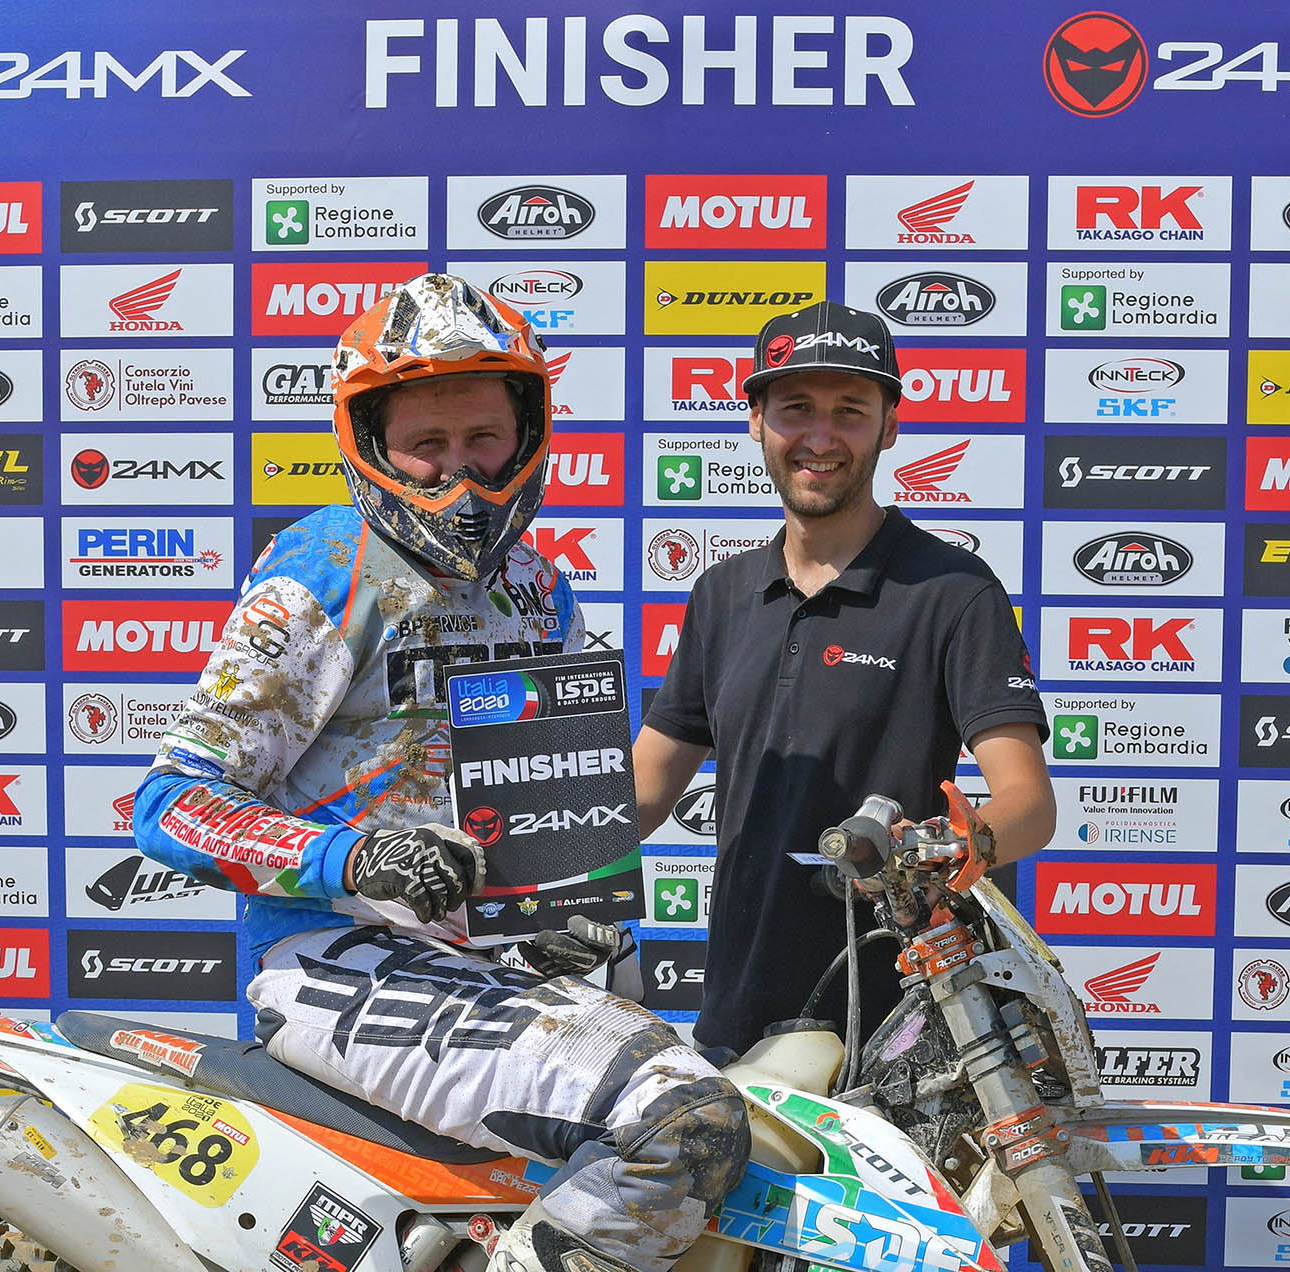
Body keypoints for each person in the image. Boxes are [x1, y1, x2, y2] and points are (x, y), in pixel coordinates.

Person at [133, 274, 747, 1272]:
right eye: (428, 443)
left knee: (730, 1113)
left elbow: (551, 810)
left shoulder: (538, 587)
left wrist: (561, 909)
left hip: (492, 959)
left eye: (483, 438)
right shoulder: (322, 573)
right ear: (372, 443)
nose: (459, 472)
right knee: (682, 1115)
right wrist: (353, 857)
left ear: (527, 434)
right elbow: (171, 803)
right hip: (334, 953)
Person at [632, 300, 1056, 1059]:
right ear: (756, 421)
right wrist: (497, 864)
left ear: (890, 426)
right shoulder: (722, 594)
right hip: (738, 1018)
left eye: (850, 411)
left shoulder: (954, 591)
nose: (821, 437)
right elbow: (644, 790)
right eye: (796, 408)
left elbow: (1029, 803)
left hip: (908, 1035)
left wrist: (942, 846)